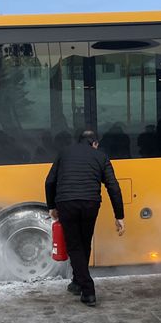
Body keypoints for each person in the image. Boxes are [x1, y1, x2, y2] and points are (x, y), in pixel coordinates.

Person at [45, 130, 125, 307]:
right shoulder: (100, 156)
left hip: (66, 203)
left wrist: (51, 206)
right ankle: (77, 282)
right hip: (90, 203)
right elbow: (113, 186)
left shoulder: (64, 153)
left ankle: (87, 289)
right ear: (94, 143)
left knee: (74, 245)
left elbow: (50, 181)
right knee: (84, 243)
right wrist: (119, 215)